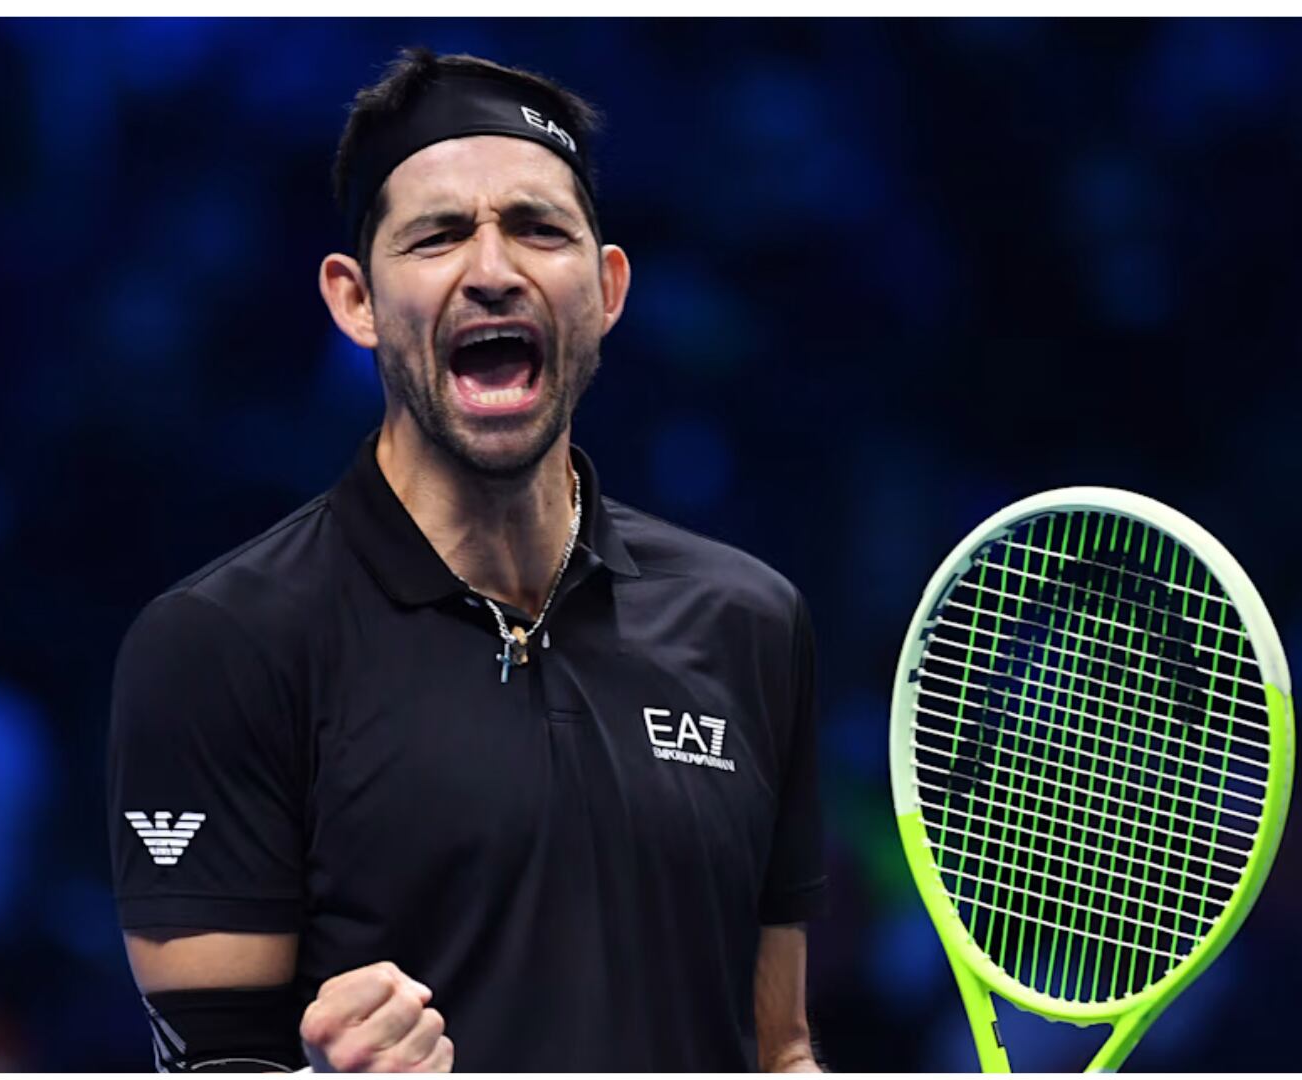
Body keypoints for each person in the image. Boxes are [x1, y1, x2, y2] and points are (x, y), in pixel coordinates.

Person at [106, 47, 824, 1072]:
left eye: (538, 228)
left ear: (608, 288)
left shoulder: (748, 622)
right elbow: (207, 1064)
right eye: (439, 236)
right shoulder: (220, 645)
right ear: (354, 301)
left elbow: (779, 1052)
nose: (493, 271)